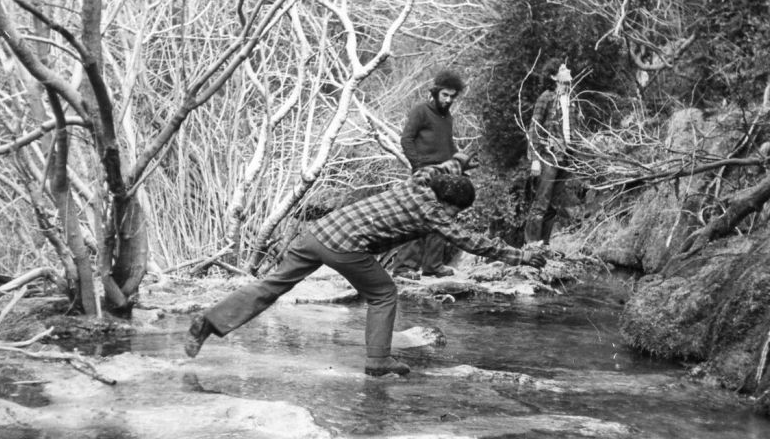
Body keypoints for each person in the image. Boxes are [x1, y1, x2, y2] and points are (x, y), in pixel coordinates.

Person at [184, 157, 546, 377]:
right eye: (455, 209)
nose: (453, 216)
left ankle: (209, 322)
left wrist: (459, 163)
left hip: (316, 234)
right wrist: (521, 257)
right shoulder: (434, 212)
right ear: (448, 201)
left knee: (271, 286)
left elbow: (438, 168)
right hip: (345, 246)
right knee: (384, 293)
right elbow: (473, 242)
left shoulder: (419, 182)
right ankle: (378, 361)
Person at [392, 69, 468, 279]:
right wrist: (418, 167)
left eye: (452, 96)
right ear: (435, 92)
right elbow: (406, 139)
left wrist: (460, 162)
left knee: (441, 219)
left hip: (444, 175)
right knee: (417, 219)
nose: (448, 100)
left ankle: (433, 266)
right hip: (424, 173)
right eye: (445, 95)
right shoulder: (421, 111)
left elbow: (448, 145)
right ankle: (404, 268)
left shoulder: (448, 117)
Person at [525, 61, 574, 245]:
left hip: (566, 156)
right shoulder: (546, 97)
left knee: (554, 204)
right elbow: (534, 128)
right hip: (548, 156)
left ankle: (544, 246)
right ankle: (531, 246)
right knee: (540, 203)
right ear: (554, 77)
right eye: (562, 69)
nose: (567, 70)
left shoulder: (572, 98)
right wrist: (535, 159)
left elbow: (573, 128)